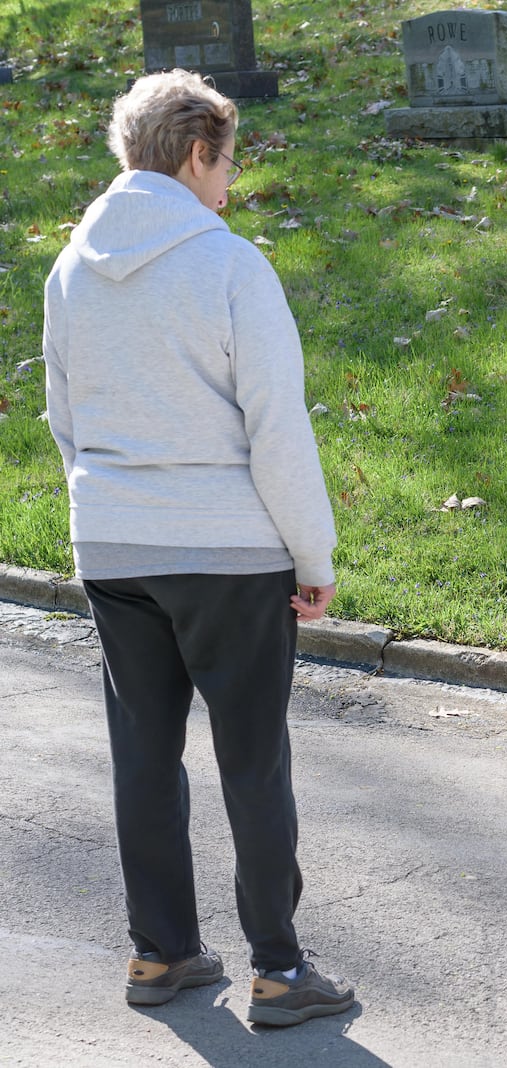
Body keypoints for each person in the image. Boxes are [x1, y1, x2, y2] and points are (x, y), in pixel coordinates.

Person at [42, 69, 355, 1026]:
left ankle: (160, 955)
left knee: (143, 755)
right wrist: (315, 555)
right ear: (194, 155)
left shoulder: (70, 268)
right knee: (253, 760)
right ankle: (280, 971)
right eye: (227, 162)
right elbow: (277, 429)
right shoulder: (230, 266)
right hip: (227, 551)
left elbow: (63, 416)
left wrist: (103, 508)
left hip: (115, 542)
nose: (231, 182)